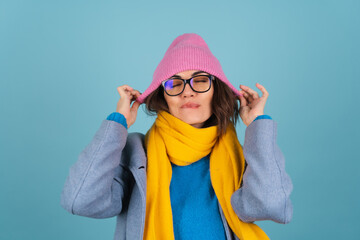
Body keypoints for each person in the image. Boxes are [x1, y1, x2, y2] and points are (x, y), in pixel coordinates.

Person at [60, 33, 293, 240]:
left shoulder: (241, 156)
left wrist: (258, 126)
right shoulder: (135, 153)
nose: (187, 91)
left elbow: (270, 204)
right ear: (164, 96)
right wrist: (117, 122)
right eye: (174, 83)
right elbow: (80, 200)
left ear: (216, 90)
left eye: (200, 80)